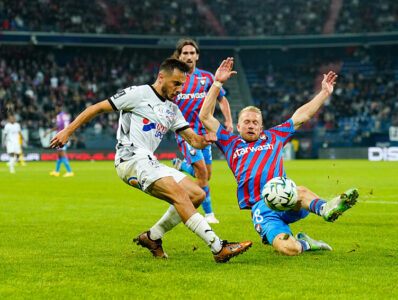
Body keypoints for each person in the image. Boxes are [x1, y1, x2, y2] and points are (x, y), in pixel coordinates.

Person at [50, 58, 251, 263]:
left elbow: (193, 140)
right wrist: (67, 131)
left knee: (197, 194)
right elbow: (96, 108)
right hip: (130, 158)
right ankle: (218, 247)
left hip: (148, 159)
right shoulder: (138, 93)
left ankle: (153, 237)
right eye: (176, 83)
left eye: (182, 84)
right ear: (161, 77)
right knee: (180, 194)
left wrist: (205, 140)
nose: (179, 89)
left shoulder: (172, 109)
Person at [199, 58, 358, 256]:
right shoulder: (229, 142)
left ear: (261, 127)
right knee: (288, 249)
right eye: (246, 122)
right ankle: (306, 243)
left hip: (286, 196)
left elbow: (301, 116)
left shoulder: (273, 136)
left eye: (255, 122)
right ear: (238, 127)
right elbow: (205, 117)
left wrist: (324, 93)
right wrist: (217, 83)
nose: (250, 125)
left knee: (298, 190)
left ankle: (327, 208)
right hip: (261, 208)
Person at [171, 38, 234, 224]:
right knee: (202, 174)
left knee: (207, 174)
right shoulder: (174, 78)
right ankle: (208, 214)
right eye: (185, 53)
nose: (189, 56)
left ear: (197, 56)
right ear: (179, 56)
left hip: (206, 133)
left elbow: (222, 99)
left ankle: (181, 166)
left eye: (192, 53)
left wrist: (228, 120)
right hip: (186, 133)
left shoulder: (207, 78)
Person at [44, 106, 74, 177]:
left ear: (60, 108)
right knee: (59, 155)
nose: (55, 110)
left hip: (61, 136)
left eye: (56, 108)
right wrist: (73, 136)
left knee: (62, 154)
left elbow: (58, 126)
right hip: (66, 136)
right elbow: (70, 126)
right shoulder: (67, 116)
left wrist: (48, 132)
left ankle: (69, 171)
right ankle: (56, 171)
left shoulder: (59, 116)